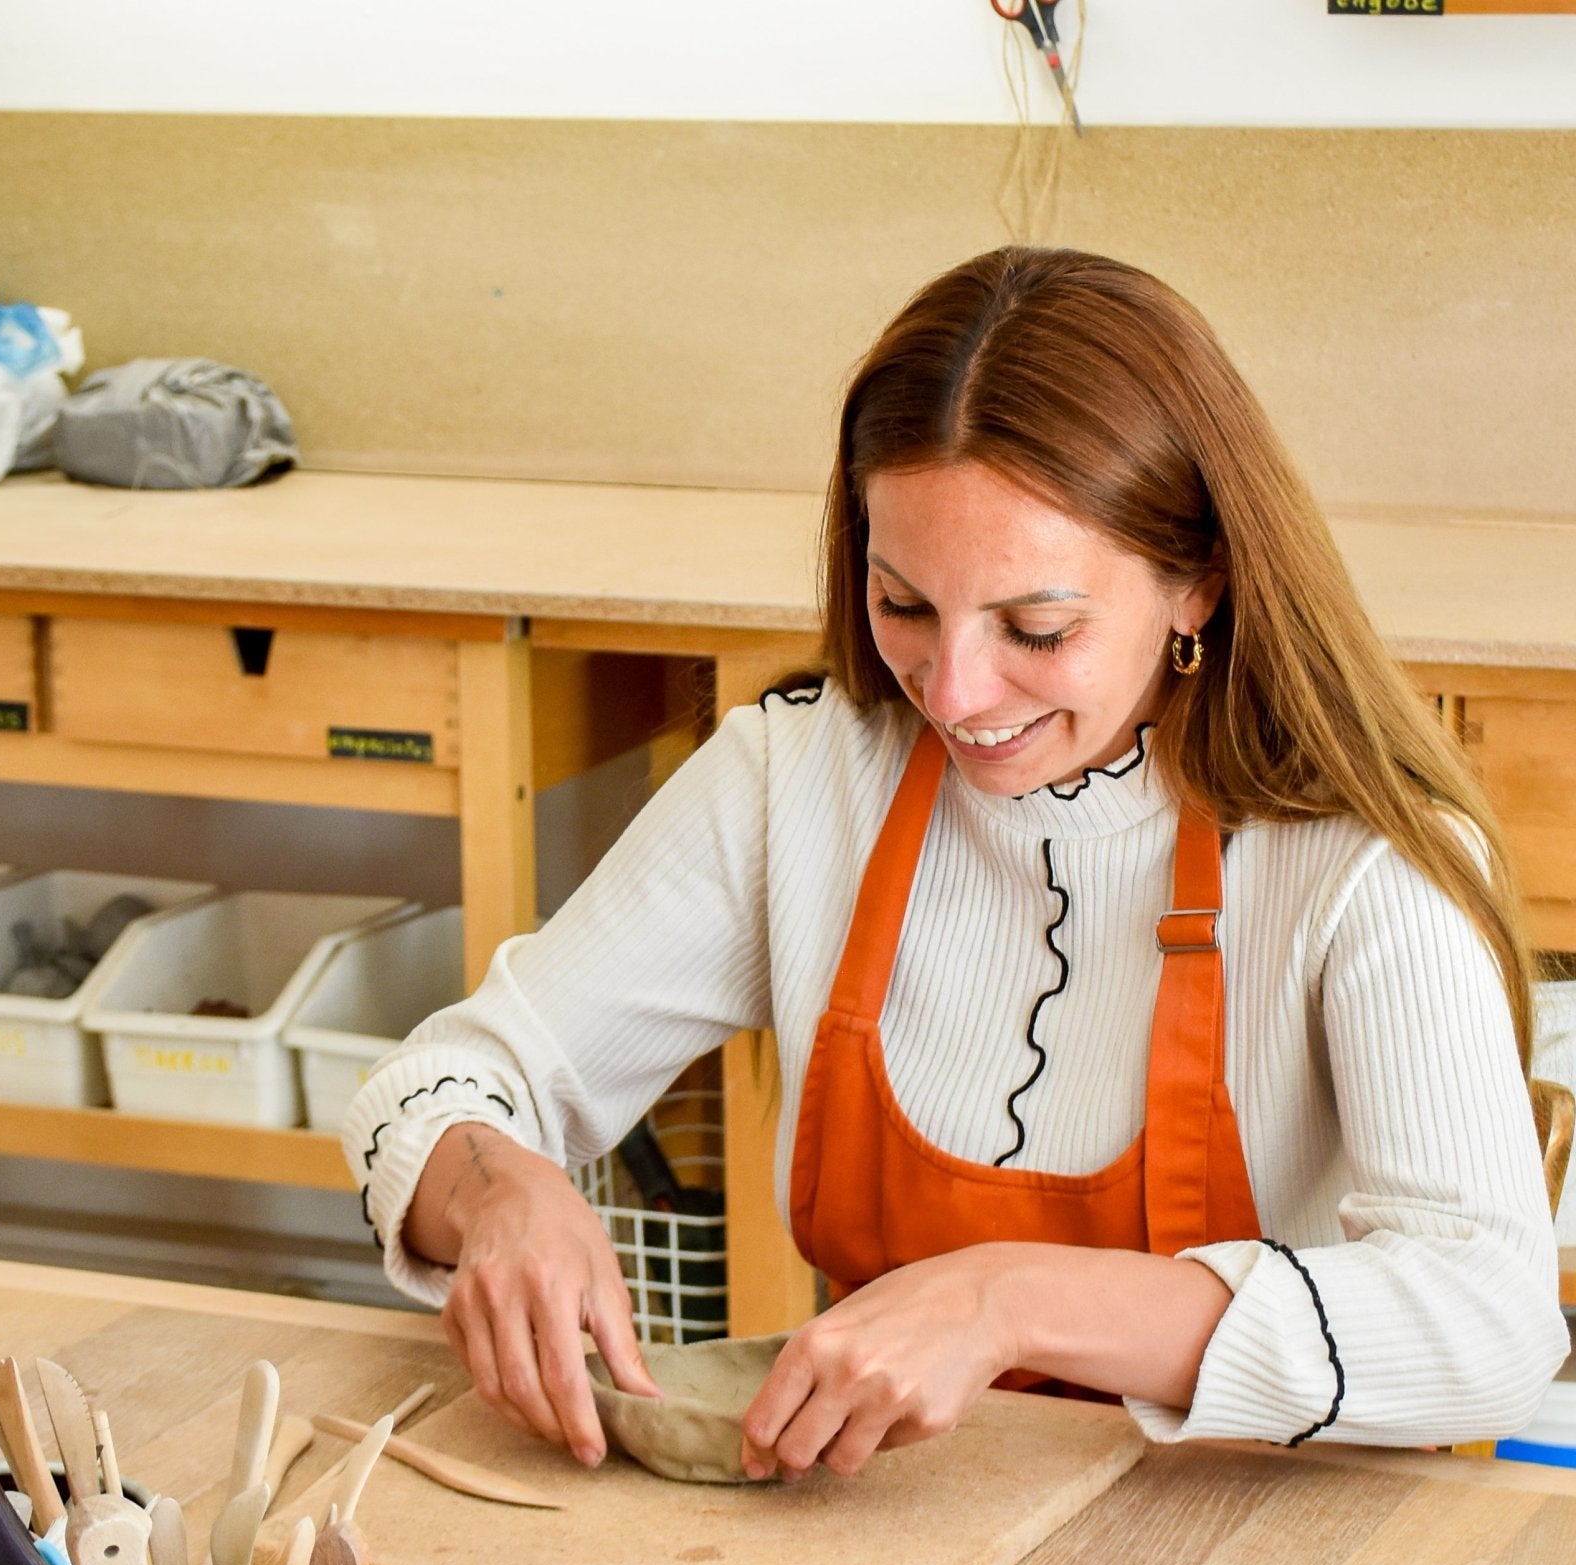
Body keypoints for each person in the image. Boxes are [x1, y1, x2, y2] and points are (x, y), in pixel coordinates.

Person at [341, 246, 1564, 1480]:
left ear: (1198, 581)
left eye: (1036, 627)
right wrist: (495, 1186)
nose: (956, 691)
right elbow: (444, 1076)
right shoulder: (799, 778)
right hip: (887, 1532)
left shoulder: (1356, 857)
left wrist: (1006, 1299)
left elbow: (1487, 1323)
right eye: (904, 604)